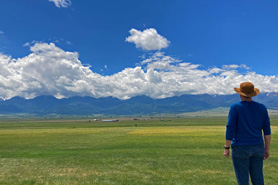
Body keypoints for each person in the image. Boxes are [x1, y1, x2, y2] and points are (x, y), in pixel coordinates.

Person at [224, 82, 271, 185]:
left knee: (243, 179)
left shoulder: (235, 107)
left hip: (240, 147)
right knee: (258, 178)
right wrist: (266, 149)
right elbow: (267, 131)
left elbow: (230, 128)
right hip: (258, 146)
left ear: (240, 94)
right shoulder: (262, 108)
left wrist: (226, 148)